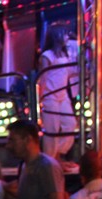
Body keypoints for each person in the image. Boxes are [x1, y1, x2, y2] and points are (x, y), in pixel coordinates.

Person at [38, 24, 78, 162]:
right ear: (57, 36)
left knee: (70, 124)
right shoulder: (47, 55)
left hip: (63, 95)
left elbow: (68, 72)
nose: (67, 37)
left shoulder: (65, 54)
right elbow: (43, 77)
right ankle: (51, 160)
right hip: (50, 95)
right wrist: (41, 97)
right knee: (52, 130)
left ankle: (58, 155)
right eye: (64, 34)